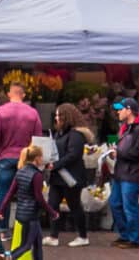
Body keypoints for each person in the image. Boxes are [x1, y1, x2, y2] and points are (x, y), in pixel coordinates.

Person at [0, 86, 43, 211]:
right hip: (26, 159)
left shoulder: (0, 111)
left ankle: (3, 227)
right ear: (23, 95)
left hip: (6, 157)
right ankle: (23, 225)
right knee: (26, 194)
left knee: (4, 191)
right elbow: (38, 138)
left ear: (9, 94)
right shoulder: (33, 112)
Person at [48, 104, 90, 248]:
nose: (56, 118)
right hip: (58, 177)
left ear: (67, 117)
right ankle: (53, 236)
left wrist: (56, 164)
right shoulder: (59, 133)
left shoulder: (76, 134)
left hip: (71, 177)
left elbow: (73, 155)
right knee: (52, 204)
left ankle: (83, 236)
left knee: (74, 206)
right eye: (56, 115)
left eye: (59, 115)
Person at [1, 144, 49, 260]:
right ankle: (8, 257)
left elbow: (10, 193)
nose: (43, 159)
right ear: (36, 158)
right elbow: (39, 197)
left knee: (37, 243)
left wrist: (1, 209)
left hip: (22, 213)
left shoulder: (20, 172)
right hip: (31, 214)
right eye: (41, 156)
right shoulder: (37, 175)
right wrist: (51, 211)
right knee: (26, 245)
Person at [108, 104, 139, 252]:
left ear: (129, 111)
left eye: (120, 109)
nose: (118, 112)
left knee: (130, 207)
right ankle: (124, 234)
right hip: (120, 172)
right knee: (114, 203)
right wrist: (114, 152)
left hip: (132, 174)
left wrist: (119, 154)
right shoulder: (124, 128)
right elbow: (124, 150)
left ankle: (134, 239)